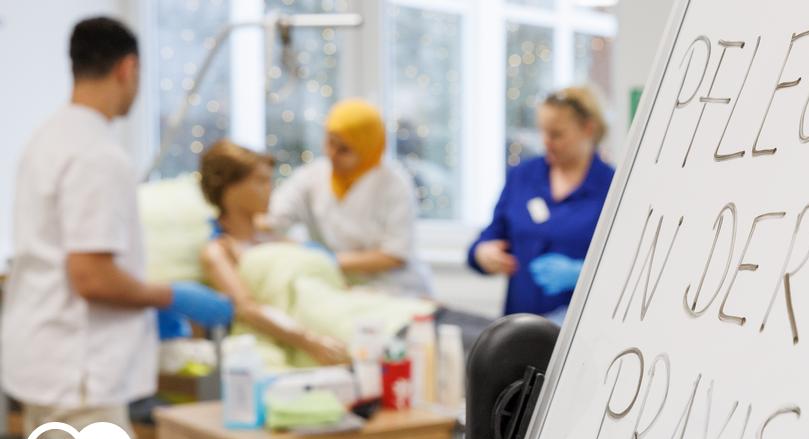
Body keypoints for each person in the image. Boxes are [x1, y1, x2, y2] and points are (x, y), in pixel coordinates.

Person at [0, 17, 232, 439]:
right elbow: (93, 277)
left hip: (42, 361)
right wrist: (169, 294)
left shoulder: (45, 140)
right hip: (81, 372)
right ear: (129, 68)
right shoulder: (99, 156)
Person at [199, 140, 349, 366]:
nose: (270, 189)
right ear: (230, 189)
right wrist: (310, 340)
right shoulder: (218, 252)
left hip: (326, 307)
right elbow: (247, 309)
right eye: (261, 181)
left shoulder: (278, 240)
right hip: (293, 332)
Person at [468, 86, 615, 316]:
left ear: (588, 128)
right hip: (520, 326)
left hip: (581, 330)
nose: (546, 142)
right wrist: (482, 253)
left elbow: (626, 267)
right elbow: (491, 236)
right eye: (542, 132)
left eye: (556, 134)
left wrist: (583, 274)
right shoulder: (523, 177)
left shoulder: (611, 188)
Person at [267, 99, 432, 297]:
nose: (332, 154)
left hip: (394, 289)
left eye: (344, 149)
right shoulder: (312, 176)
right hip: (337, 287)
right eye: (329, 142)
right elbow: (275, 215)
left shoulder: (394, 185)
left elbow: (395, 255)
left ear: (367, 148)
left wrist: (326, 260)